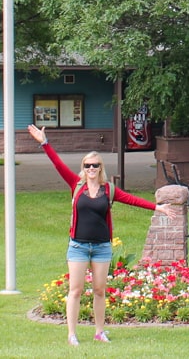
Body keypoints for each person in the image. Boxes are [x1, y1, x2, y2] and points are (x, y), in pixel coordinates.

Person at [27, 123, 178, 346]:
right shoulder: (76, 184)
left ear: (100, 167)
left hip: (101, 248)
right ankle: (72, 334)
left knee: (99, 290)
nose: (91, 168)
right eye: (87, 165)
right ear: (83, 167)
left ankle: (99, 332)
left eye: (95, 165)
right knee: (76, 290)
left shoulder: (109, 190)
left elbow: (132, 200)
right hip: (78, 246)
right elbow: (58, 164)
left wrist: (159, 208)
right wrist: (45, 143)